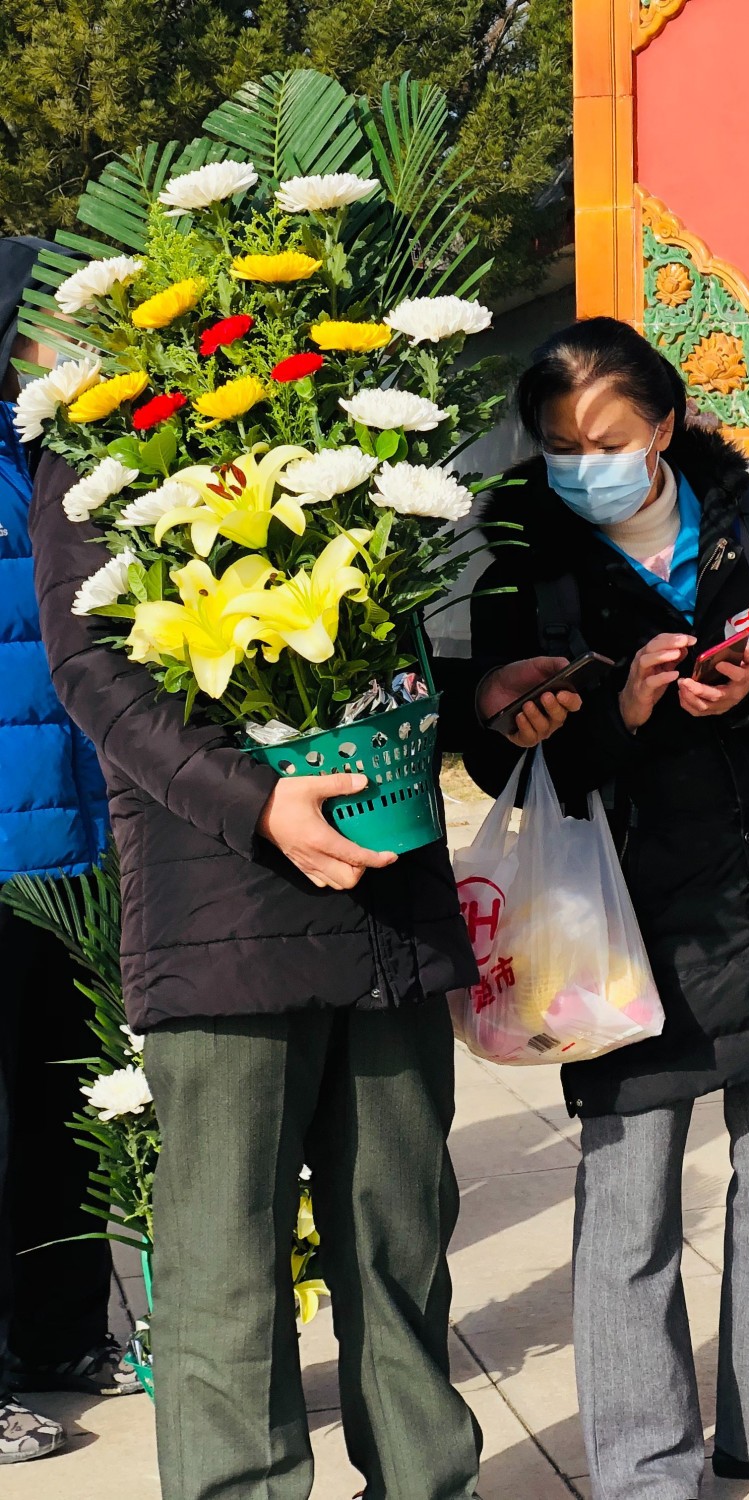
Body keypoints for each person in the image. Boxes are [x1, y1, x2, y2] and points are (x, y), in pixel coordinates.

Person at [464, 318, 749, 1497]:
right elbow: (490, 738)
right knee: (629, 1201)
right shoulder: (522, 550)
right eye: (559, 444)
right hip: (627, 916)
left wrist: (745, 696)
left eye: (606, 439)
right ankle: (645, 1463)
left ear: (663, 427)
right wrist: (619, 715)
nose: (581, 463)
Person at [33, 447, 484, 1495]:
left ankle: (426, 1484)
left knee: (400, 1243)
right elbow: (92, 668)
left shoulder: (349, 401)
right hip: (223, 917)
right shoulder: (108, 434)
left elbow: (387, 644)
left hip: (386, 909)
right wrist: (254, 802)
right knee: (228, 1265)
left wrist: (473, 698)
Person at [0, 242, 141, 1468]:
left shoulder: (84, 462)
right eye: (50, 331)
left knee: (66, 1108)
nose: (73, 352)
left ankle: (62, 1333)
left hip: (84, 842)